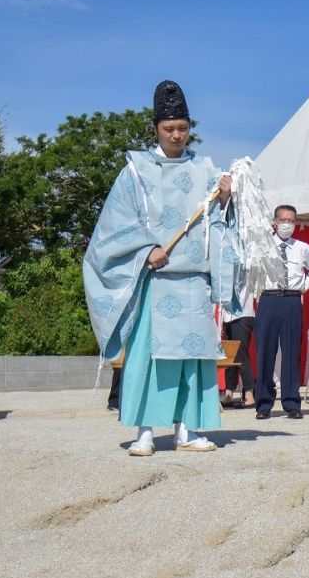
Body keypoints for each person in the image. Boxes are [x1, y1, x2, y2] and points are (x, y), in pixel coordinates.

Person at [83, 79, 242, 457]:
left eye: (183, 128)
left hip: (194, 283)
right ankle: (145, 431)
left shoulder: (205, 168)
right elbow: (115, 224)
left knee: (193, 359)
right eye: (169, 128)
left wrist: (224, 199)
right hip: (156, 281)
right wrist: (147, 247)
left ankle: (187, 429)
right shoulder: (136, 170)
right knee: (149, 359)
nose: (176, 135)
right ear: (155, 128)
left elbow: (218, 224)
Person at [253, 204, 309, 420]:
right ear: (275, 222)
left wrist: (301, 287)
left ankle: (291, 402)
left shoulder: (303, 248)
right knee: (265, 352)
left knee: (292, 352)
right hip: (269, 298)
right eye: (283, 220)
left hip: (291, 299)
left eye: (291, 221)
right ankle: (263, 404)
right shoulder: (262, 246)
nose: (287, 224)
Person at [221, 288, 256, 408]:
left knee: (241, 354)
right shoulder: (225, 269)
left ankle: (249, 394)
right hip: (226, 314)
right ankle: (229, 393)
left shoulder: (247, 268)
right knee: (229, 355)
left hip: (243, 314)